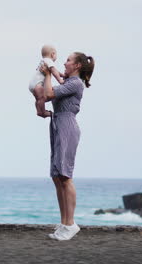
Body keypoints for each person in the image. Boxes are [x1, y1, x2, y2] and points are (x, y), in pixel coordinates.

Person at [40, 52, 95, 240]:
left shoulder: (75, 83)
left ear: (78, 65)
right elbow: (48, 97)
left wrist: (48, 73)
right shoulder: (67, 83)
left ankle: (70, 224)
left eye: (69, 60)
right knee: (57, 176)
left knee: (65, 175)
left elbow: (49, 93)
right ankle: (64, 223)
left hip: (67, 127)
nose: (65, 62)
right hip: (57, 124)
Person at [28, 45, 65, 117]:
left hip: (33, 83)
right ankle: (43, 111)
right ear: (52, 54)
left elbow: (56, 71)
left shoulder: (44, 61)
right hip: (38, 85)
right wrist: (60, 80)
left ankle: (39, 111)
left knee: (38, 99)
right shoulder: (49, 61)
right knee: (41, 99)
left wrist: (63, 75)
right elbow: (54, 72)